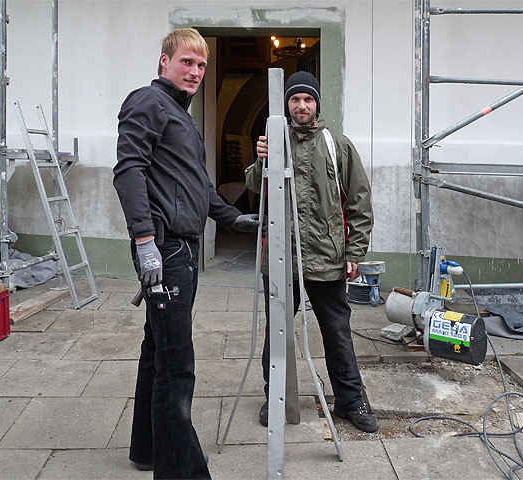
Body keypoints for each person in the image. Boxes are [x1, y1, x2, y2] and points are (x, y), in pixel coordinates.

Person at [113, 28, 259, 479]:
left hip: (179, 249)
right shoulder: (148, 103)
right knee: (177, 365)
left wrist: (236, 220)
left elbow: (198, 188)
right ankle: (182, 471)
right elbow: (128, 172)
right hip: (165, 248)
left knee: (156, 351)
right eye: (186, 63)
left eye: (201, 65)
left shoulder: (181, 118)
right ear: (164, 62)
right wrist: (144, 242)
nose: (195, 72)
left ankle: (148, 450)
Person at [244, 71, 378, 433]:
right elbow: (254, 187)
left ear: (317, 104)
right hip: (281, 255)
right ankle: (277, 397)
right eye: (295, 99)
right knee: (278, 332)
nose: (301, 106)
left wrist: (355, 251)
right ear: (287, 105)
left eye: (308, 99)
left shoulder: (338, 145)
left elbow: (360, 202)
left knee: (337, 332)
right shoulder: (274, 140)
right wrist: (261, 162)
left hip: (327, 257)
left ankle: (350, 401)